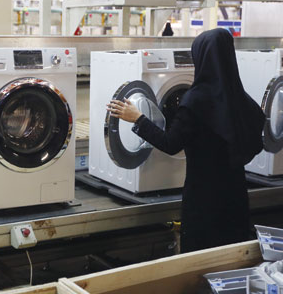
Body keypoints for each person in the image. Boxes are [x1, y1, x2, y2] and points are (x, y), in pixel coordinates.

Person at [108, 29, 265, 253]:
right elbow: (257, 140)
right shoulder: (241, 98)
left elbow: (170, 144)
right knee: (232, 255)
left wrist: (138, 118)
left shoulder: (196, 100)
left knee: (201, 258)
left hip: (203, 197)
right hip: (236, 194)